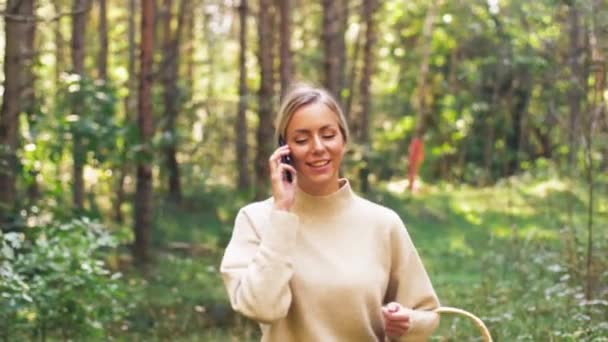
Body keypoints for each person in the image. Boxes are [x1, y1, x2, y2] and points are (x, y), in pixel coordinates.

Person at [220, 83, 440, 341]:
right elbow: (262, 308)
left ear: (343, 140)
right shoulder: (256, 220)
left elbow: (428, 313)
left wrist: (407, 322)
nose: (317, 147)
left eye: (328, 135)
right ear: (284, 151)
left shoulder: (383, 223)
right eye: (301, 139)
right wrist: (282, 213)